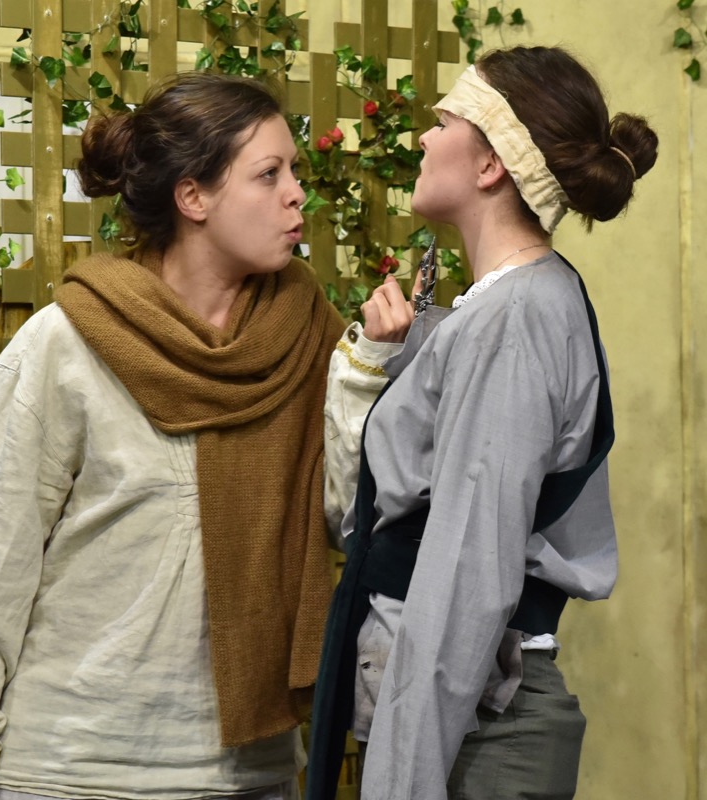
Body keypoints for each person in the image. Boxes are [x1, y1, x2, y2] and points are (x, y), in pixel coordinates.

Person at [0, 72, 345, 800]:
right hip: (76, 767)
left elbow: (349, 512)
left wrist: (370, 379)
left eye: (294, 171)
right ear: (193, 197)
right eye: (270, 174)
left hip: (251, 768)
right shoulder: (70, 342)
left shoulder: (308, 339)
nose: (297, 194)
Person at [306, 46, 658, 800]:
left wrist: (400, 787)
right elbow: (379, 515)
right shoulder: (499, 308)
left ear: (492, 163)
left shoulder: (516, 319)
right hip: (460, 723)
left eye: (443, 123)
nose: (423, 137)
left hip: (478, 731)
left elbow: (468, 575)